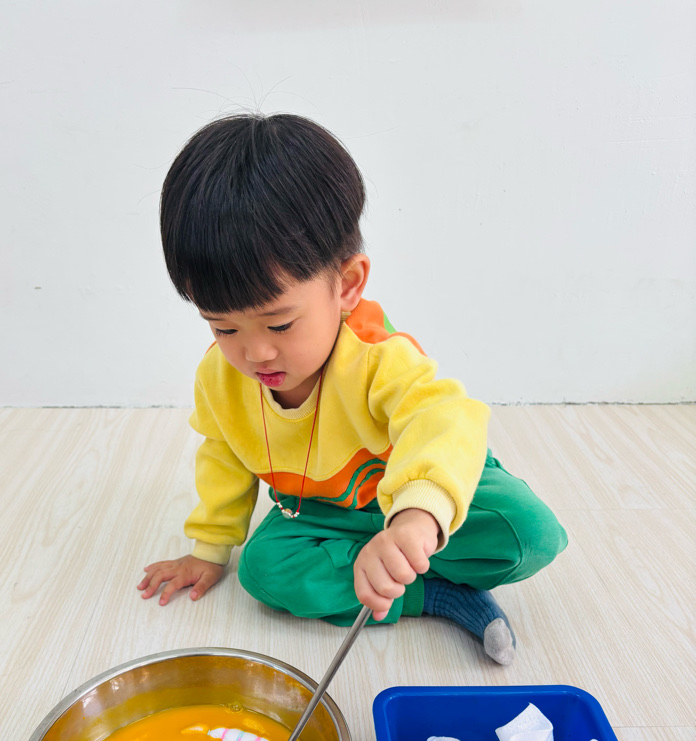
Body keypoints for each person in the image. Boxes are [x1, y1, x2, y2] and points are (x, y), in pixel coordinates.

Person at [138, 113, 567, 664]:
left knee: (530, 532)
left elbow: (446, 417)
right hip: (323, 514)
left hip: (419, 486)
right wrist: (210, 549)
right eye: (223, 327)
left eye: (279, 324)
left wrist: (418, 517)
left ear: (346, 285)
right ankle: (432, 594)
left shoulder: (377, 357)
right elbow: (223, 454)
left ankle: (406, 551)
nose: (255, 353)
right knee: (264, 572)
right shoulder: (219, 378)